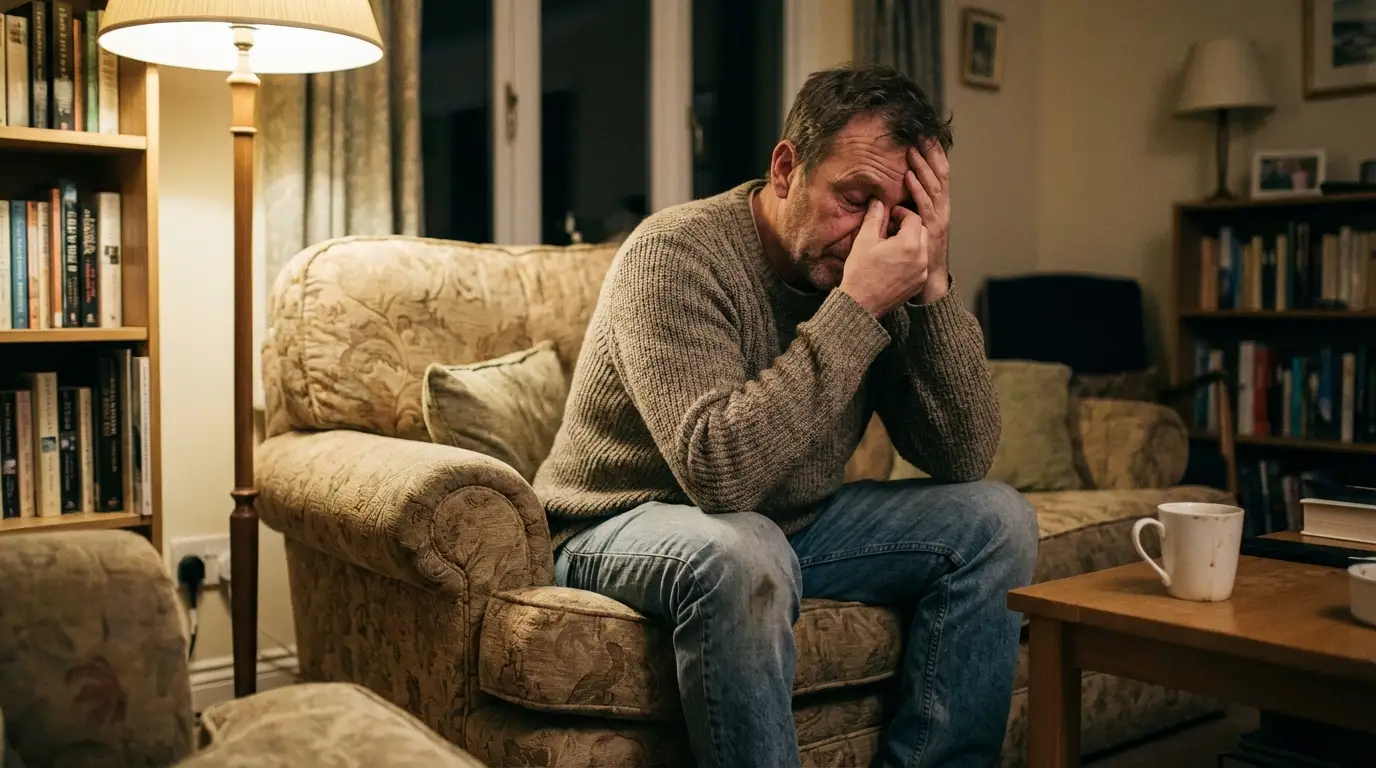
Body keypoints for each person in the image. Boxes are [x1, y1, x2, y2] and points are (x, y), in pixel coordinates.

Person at [532, 63, 1038, 768]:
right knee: (744, 552)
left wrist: (932, 282)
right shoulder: (672, 254)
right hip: (615, 523)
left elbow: (964, 454)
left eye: (898, 215)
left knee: (996, 519)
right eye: (854, 199)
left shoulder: (883, 269)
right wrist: (857, 307)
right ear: (784, 168)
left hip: (788, 523)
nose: (871, 234)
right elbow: (719, 472)